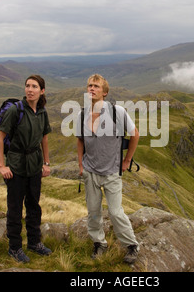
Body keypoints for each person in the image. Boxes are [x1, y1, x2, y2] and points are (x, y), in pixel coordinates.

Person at [77, 74, 140, 264]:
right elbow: (80, 140)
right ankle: (99, 243)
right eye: (89, 85)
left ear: (104, 92)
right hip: (90, 171)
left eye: (96, 86)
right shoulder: (83, 114)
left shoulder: (117, 112)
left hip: (112, 172)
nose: (91, 89)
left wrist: (127, 160)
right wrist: (81, 164)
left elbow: (135, 134)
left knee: (115, 211)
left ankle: (131, 245)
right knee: (93, 211)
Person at [0, 74, 52, 263]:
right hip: (16, 165)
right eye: (27, 86)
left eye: (34, 86)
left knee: (34, 206)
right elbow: (0, 138)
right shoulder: (15, 110)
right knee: (15, 208)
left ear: (41, 91)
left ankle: (34, 243)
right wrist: (2, 166)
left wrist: (46, 163)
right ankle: (14, 248)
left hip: (34, 165)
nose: (30, 89)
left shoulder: (42, 112)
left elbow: (44, 138)